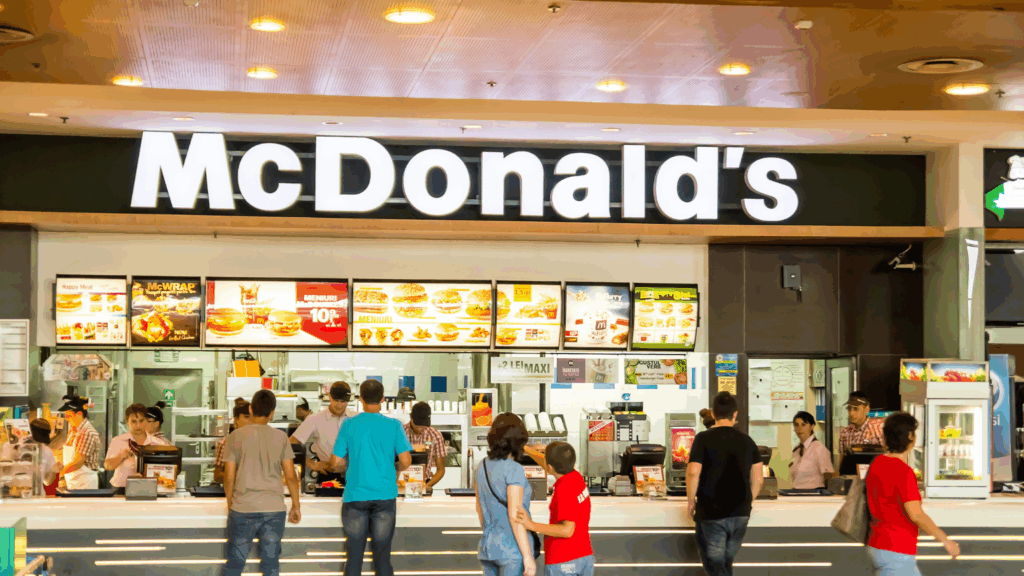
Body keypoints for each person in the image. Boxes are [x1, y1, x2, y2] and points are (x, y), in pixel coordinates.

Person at [328, 379, 412, 576]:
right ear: (382, 399)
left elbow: (335, 462)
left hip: (355, 497)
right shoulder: (394, 425)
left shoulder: (349, 424)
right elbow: (406, 461)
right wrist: (394, 468)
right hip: (385, 496)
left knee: (354, 558)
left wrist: (351, 464)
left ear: (361, 399)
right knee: (382, 559)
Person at [866, 412, 960, 575]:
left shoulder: (877, 463)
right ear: (910, 437)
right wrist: (945, 540)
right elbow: (916, 514)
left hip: (876, 544)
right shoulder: (904, 472)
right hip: (896, 549)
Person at [222, 390, 302, 576]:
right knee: (270, 566)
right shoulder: (281, 437)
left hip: (242, 508)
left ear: (251, 409)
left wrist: (230, 503)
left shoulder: (235, 436)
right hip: (274, 510)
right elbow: (291, 476)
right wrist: (296, 505)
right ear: (272, 412)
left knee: (234, 565)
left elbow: (228, 476)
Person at [686, 392, 762, 576]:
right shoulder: (748, 441)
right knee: (725, 563)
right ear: (735, 414)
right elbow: (759, 479)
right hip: (740, 514)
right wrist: (748, 501)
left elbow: (693, 472)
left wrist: (690, 501)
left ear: (713, 413)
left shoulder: (703, 438)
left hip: (712, 512)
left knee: (715, 565)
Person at [515, 442, 593, 576]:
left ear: (550, 467)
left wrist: (531, 524)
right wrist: (526, 449)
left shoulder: (564, 489)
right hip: (584, 557)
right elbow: (551, 465)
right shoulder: (576, 476)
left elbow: (567, 530)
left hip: (563, 562)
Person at [475, 412, 535, 576]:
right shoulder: (514, 469)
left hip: (487, 548)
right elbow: (515, 515)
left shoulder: (481, 466)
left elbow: (479, 508)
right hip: (512, 550)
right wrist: (528, 557)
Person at [291, 382, 351, 483]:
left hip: (354, 476)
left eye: (343, 401)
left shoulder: (355, 418)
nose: (339, 405)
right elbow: (290, 444)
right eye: (336, 400)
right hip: (327, 476)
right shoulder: (315, 419)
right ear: (329, 396)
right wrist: (312, 464)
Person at [105, 403, 162, 489]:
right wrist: (121, 456)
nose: (138, 425)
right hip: (121, 488)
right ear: (127, 422)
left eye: (141, 421)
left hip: (149, 488)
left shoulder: (157, 443)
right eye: (133, 421)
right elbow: (108, 466)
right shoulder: (118, 441)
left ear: (146, 420)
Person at [58, 396, 101, 490]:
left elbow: (78, 462)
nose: (66, 419)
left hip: (85, 484)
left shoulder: (87, 432)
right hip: (73, 482)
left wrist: (59, 474)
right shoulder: (73, 431)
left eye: (69, 416)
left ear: (79, 414)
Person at [403, 402, 446, 491]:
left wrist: (427, 486)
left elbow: (441, 469)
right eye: (417, 425)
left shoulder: (436, 436)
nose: (420, 428)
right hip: (400, 483)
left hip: (425, 482)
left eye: (423, 425)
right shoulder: (399, 433)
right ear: (410, 416)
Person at [838, 391, 884, 470]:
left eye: (856, 409)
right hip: (851, 475)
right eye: (849, 409)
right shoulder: (845, 433)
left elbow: (887, 456)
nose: (851, 413)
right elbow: (842, 460)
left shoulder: (878, 429)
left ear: (866, 409)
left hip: (874, 474)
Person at [789, 411, 834, 490]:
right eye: (796, 425)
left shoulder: (819, 448)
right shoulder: (797, 449)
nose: (799, 428)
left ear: (812, 426)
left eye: (803, 424)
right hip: (797, 492)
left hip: (814, 493)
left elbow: (829, 476)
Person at [215, 399, 252, 484]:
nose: (250, 420)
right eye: (246, 416)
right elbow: (217, 476)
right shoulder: (225, 443)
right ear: (236, 419)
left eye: (252, 417)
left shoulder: (259, 442)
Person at [29, 419, 59, 496]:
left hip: (38, 496)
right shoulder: (16, 448)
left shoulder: (47, 451)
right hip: (17, 497)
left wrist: (53, 471)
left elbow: (47, 482)